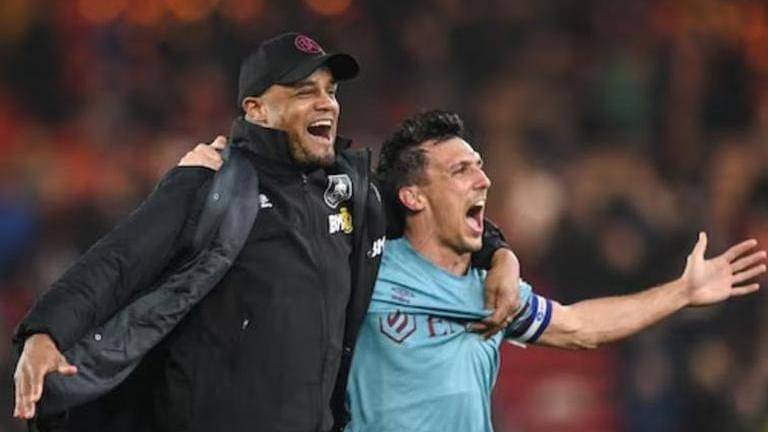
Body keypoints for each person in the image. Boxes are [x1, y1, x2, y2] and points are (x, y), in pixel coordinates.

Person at [11, 34, 519, 432]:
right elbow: (118, 260)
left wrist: (499, 256)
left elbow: (429, 204)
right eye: (304, 92)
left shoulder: (352, 192)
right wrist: (44, 334)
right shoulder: (213, 184)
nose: (326, 103)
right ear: (256, 110)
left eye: (331, 91)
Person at [345, 110, 767, 432]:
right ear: (413, 197)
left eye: (479, 165)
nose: (484, 180)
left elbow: (580, 326)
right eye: (460, 170)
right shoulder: (364, 270)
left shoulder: (494, 290)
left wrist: (682, 292)